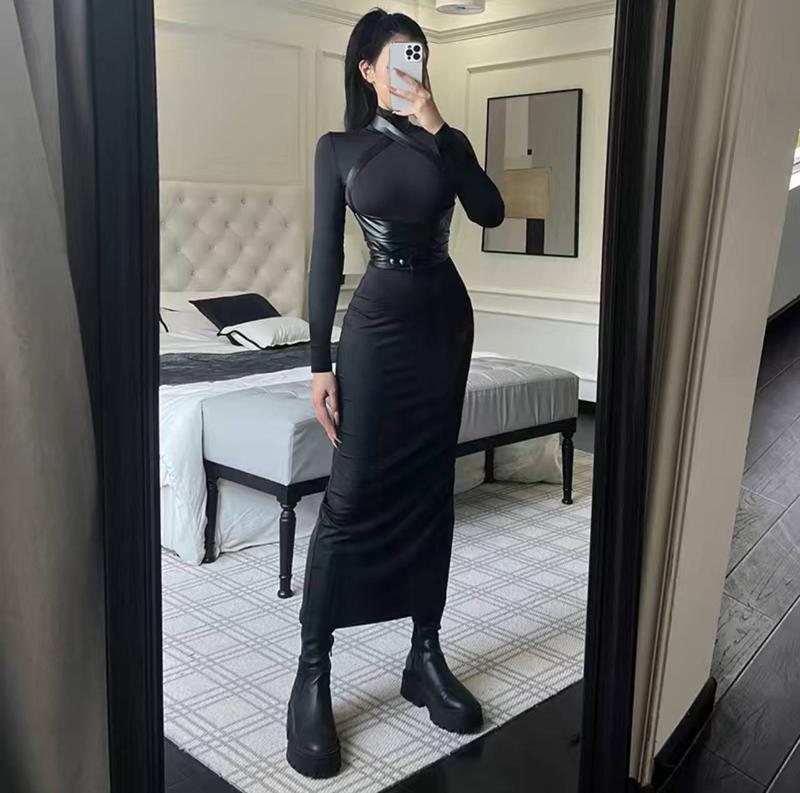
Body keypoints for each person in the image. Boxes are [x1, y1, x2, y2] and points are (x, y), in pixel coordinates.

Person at [286, 7, 505, 778]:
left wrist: (438, 125)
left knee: (431, 490)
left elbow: (490, 210)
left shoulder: (445, 142)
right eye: (400, 56)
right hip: (377, 332)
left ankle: (425, 653)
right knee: (349, 499)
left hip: (445, 324)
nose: (415, 66)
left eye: (421, 55)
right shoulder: (339, 149)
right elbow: (323, 260)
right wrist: (319, 363)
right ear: (367, 68)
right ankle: (313, 670)